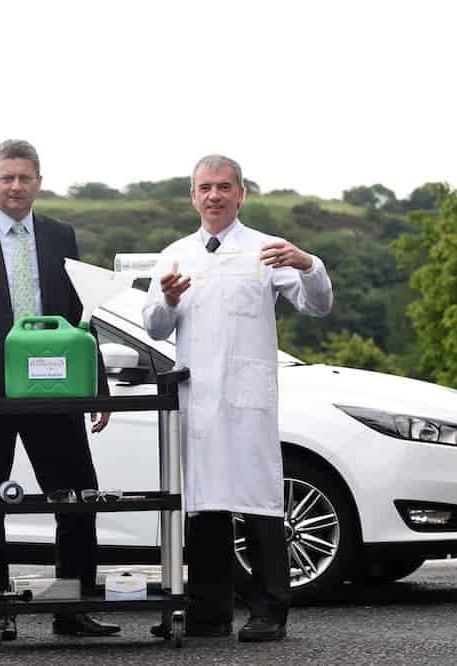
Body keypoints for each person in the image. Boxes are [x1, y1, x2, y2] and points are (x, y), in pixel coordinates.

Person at [0, 139, 118, 639]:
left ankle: (71, 608)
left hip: (55, 389)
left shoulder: (60, 235)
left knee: (77, 499)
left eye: (25, 178)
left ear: (39, 181)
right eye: (7, 178)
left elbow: (82, 314)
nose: (16, 186)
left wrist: (96, 382)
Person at [142, 154, 333, 641]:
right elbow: (155, 326)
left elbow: (318, 304)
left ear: (241, 193)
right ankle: (209, 613)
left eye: (224, 187)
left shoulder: (268, 251)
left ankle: (270, 611)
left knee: (258, 501)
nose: (214, 196)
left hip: (248, 398)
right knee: (205, 504)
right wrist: (166, 299)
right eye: (205, 187)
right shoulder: (175, 254)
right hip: (199, 398)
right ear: (192, 196)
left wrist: (309, 264)